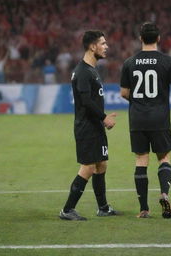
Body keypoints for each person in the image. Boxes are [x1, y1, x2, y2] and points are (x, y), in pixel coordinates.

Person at [120, 22, 171, 219]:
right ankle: (164, 194)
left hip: (138, 118)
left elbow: (124, 93)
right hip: (159, 118)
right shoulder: (168, 61)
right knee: (164, 158)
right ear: (158, 39)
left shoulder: (129, 62)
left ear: (140, 38)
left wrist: (140, 101)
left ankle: (143, 209)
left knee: (141, 159)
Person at [59, 30, 119, 221]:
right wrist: (104, 117)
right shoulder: (83, 71)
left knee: (101, 164)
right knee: (88, 168)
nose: (106, 46)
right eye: (102, 43)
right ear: (92, 46)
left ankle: (103, 207)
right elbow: (85, 101)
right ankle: (67, 210)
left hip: (95, 127)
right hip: (87, 127)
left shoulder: (91, 70)